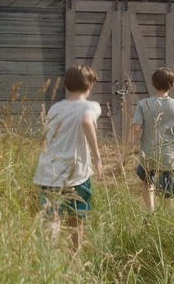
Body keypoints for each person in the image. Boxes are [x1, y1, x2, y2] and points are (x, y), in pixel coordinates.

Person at [33, 64, 103, 250]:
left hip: (49, 171)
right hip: (76, 173)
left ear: (66, 85)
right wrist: (97, 157)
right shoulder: (91, 106)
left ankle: (49, 261)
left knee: (52, 218)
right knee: (76, 218)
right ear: (89, 86)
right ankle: (75, 258)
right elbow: (87, 121)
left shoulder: (55, 108)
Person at [126, 67, 174, 214]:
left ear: (153, 84)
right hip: (169, 156)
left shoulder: (143, 104)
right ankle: (170, 217)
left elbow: (136, 129)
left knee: (147, 182)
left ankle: (151, 212)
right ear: (172, 84)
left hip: (148, 154)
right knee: (168, 193)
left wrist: (127, 150)